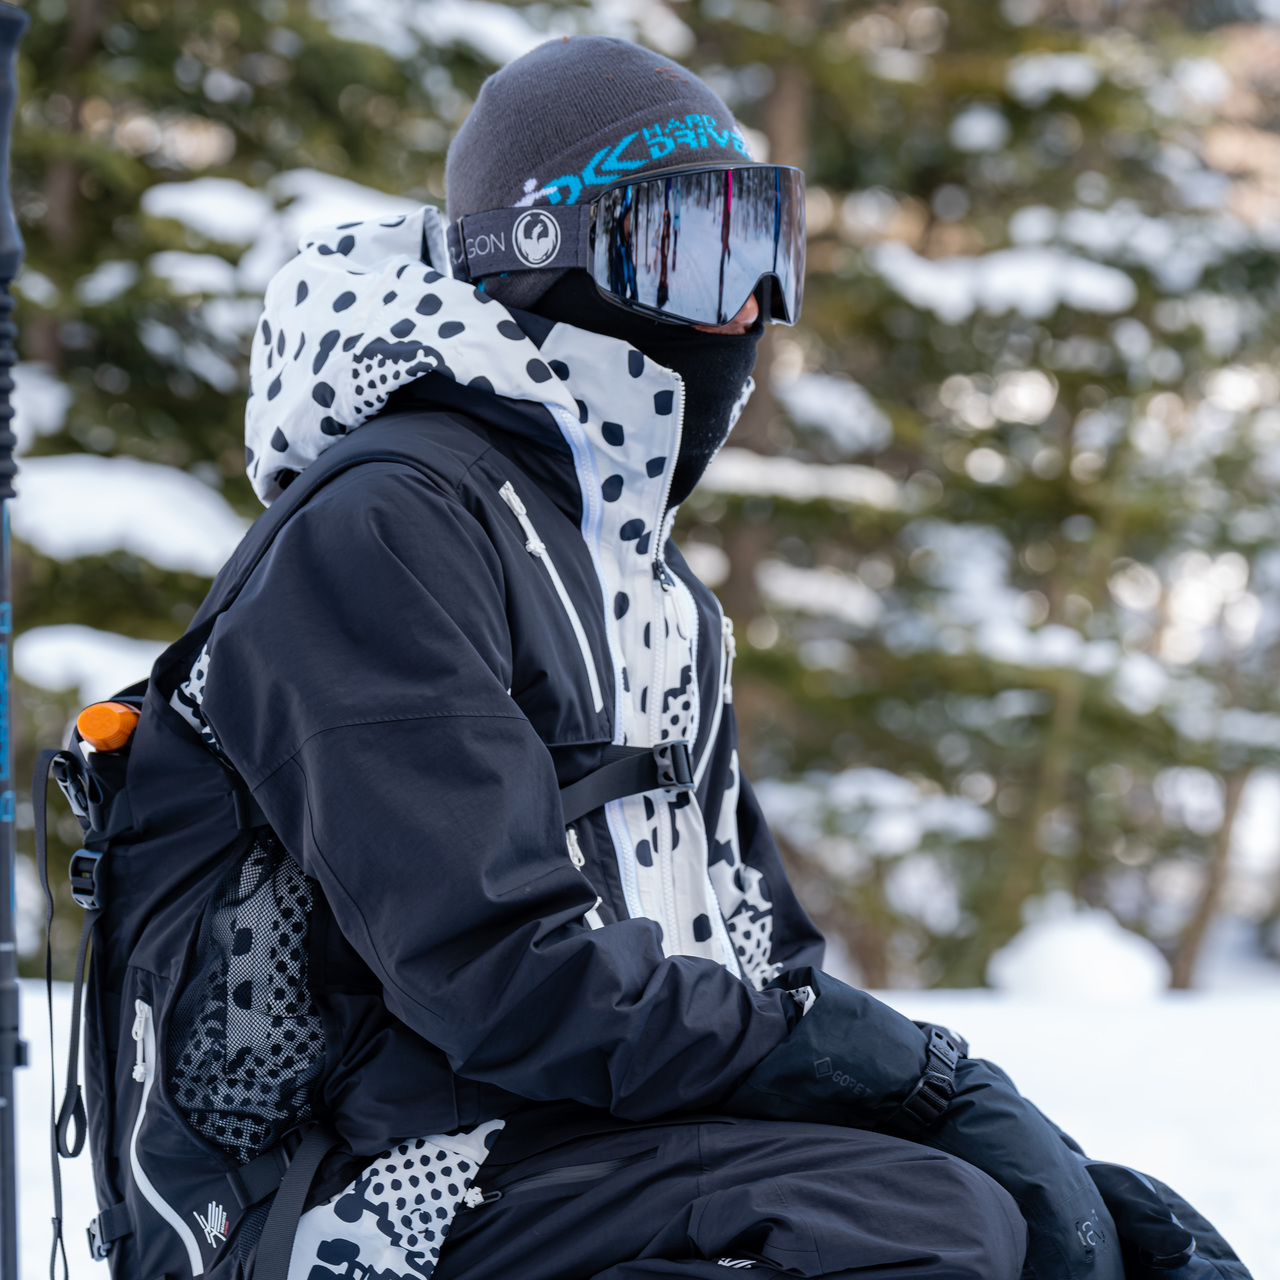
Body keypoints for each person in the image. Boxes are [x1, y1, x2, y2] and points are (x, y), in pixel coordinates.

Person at [166, 35, 1247, 1280]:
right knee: (919, 1232)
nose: (743, 309)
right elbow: (503, 976)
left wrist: (955, 1113)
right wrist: (899, 1076)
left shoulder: (647, 587)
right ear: (539, 256)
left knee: (1086, 1227)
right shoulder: (381, 533)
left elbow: (757, 962)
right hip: (362, 1197)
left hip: (580, 1148)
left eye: (762, 247)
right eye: (687, 248)